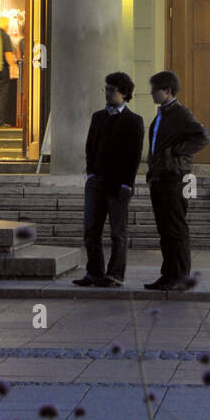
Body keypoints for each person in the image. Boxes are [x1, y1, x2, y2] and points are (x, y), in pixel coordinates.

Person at [73, 72, 144, 288]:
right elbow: (90, 147)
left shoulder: (134, 121)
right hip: (96, 182)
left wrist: (127, 183)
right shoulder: (98, 117)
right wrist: (91, 173)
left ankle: (114, 275)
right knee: (91, 229)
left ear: (123, 93)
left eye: (111, 90)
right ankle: (93, 272)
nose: (107, 93)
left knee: (117, 232)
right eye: (106, 89)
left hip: (119, 185)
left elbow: (134, 154)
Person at [144, 72, 209, 291]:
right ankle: (168, 274)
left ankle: (180, 276)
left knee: (175, 228)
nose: (152, 93)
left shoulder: (180, 113)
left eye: (155, 89)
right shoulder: (161, 115)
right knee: (164, 230)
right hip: (159, 178)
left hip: (174, 178)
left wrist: (177, 152)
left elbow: (202, 136)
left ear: (167, 90)